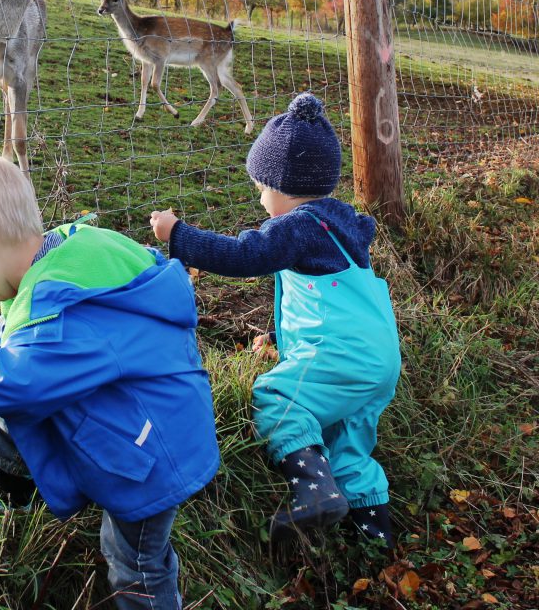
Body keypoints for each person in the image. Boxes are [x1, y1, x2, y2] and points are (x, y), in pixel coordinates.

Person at [0, 153, 218, 610]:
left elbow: (19, 380)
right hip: (147, 415)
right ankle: (10, 479)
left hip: (151, 456)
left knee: (134, 557)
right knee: (0, 376)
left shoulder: (57, 311)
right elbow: (17, 328)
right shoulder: (64, 254)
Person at [149, 92, 400, 546]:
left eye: (262, 187)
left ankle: (313, 490)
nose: (261, 198)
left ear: (283, 186)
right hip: (377, 358)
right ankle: (374, 536)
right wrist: (274, 334)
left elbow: (246, 255)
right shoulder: (339, 225)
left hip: (340, 356)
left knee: (276, 396)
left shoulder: (298, 227)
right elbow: (323, 303)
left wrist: (178, 235)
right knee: (348, 439)